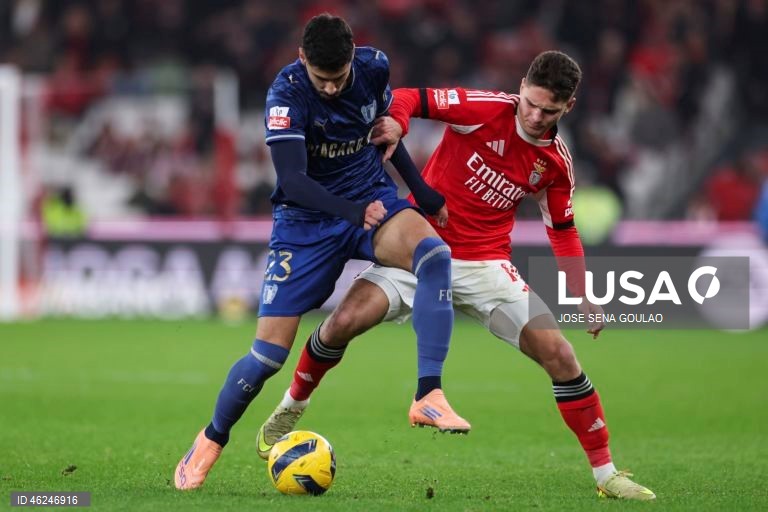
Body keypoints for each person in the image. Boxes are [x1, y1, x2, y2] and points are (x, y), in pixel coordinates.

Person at [256, 51, 656, 501]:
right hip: (422, 251)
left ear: (569, 106)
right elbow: (409, 97)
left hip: (487, 266)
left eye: (549, 111)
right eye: (531, 103)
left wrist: (583, 295)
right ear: (521, 88)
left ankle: (607, 475)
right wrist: (398, 124)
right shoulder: (483, 108)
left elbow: (562, 230)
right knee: (340, 324)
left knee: (561, 355)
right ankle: (293, 404)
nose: (535, 116)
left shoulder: (556, 163)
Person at [174, 13, 470, 491]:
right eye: (321, 78)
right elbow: (292, 180)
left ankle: (427, 394)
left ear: (352, 58)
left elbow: (385, 136)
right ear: (301, 59)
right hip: (306, 224)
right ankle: (211, 438)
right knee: (267, 357)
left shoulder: (374, 68)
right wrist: (352, 212)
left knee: (434, 256)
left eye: (338, 77)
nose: (331, 88)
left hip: (370, 197)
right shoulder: (286, 95)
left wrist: (422, 193)